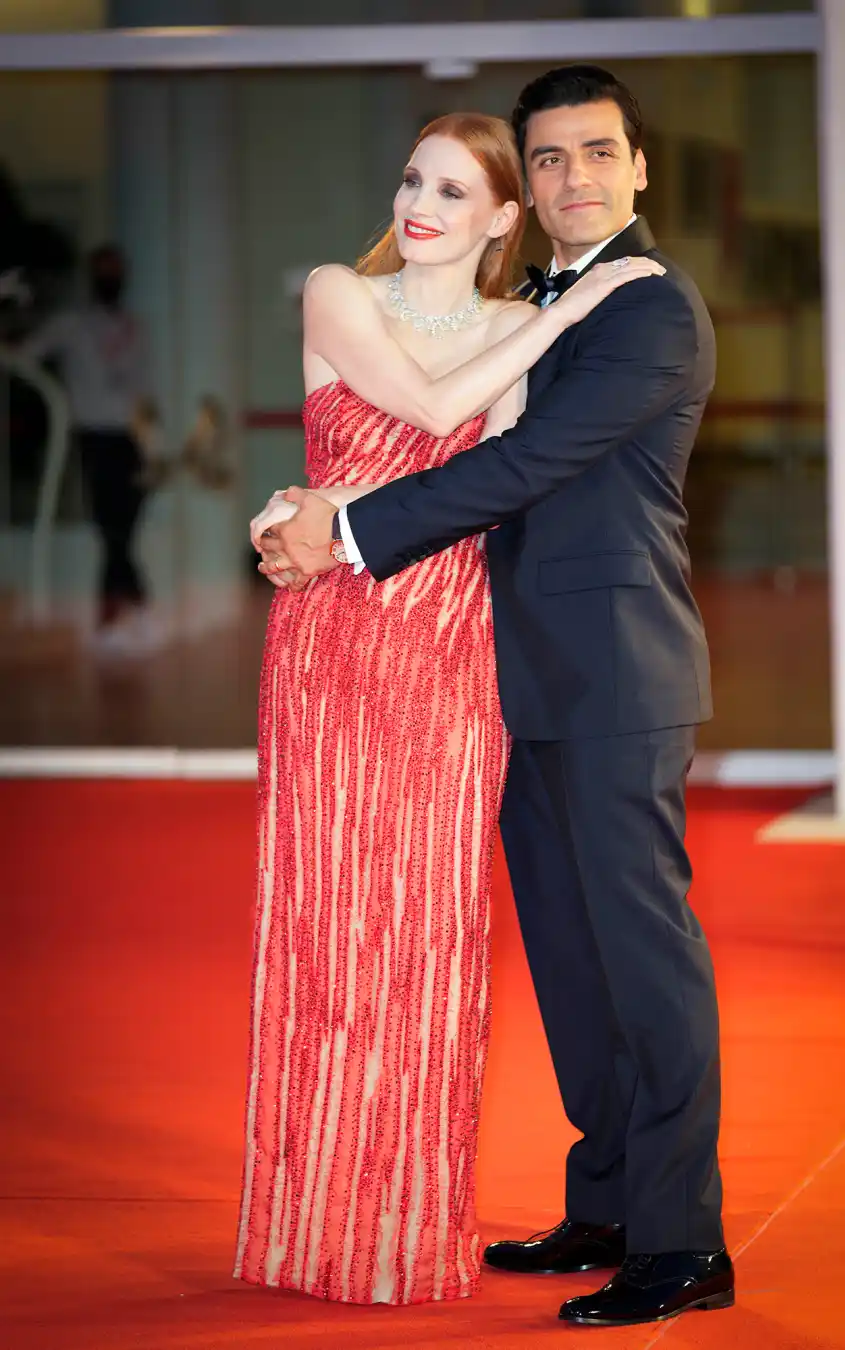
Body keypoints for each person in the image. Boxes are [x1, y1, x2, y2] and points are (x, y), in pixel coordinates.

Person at [258, 65, 734, 1330]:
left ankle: (684, 1243)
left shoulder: (647, 309)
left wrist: (348, 534)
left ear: (639, 168)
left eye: (599, 153)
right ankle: (611, 1200)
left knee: (644, 959)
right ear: (530, 188)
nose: (578, 178)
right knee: (575, 967)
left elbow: (526, 464)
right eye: (554, 159)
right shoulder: (529, 299)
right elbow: (414, 415)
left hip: (615, 669)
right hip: (495, 675)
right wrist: (303, 503)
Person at [23, 244, 159, 652]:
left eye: (116, 269)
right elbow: (27, 354)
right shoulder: (70, 324)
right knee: (111, 530)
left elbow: (144, 388)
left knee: (125, 530)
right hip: (95, 436)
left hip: (134, 439)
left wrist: (154, 442)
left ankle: (124, 618)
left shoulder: (136, 326)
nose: (110, 277)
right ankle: (124, 616)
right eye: (103, 270)